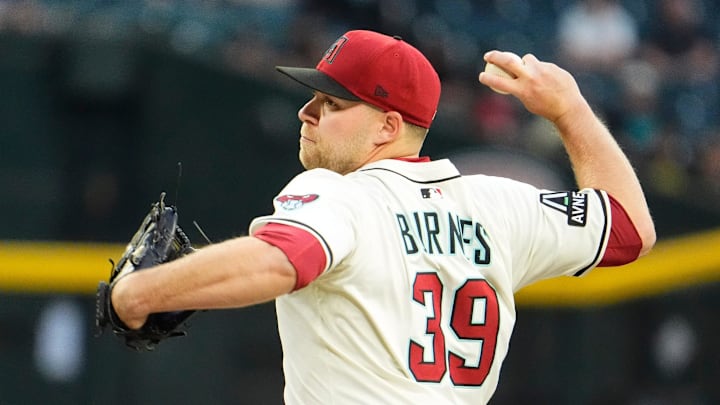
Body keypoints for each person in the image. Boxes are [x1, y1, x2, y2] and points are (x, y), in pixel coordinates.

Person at [110, 30, 656, 403]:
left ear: (388, 128)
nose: (308, 111)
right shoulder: (498, 205)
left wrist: (139, 294)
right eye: (313, 96)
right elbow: (629, 228)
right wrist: (570, 109)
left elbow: (281, 262)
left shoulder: (338, 194)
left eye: (333, 103)